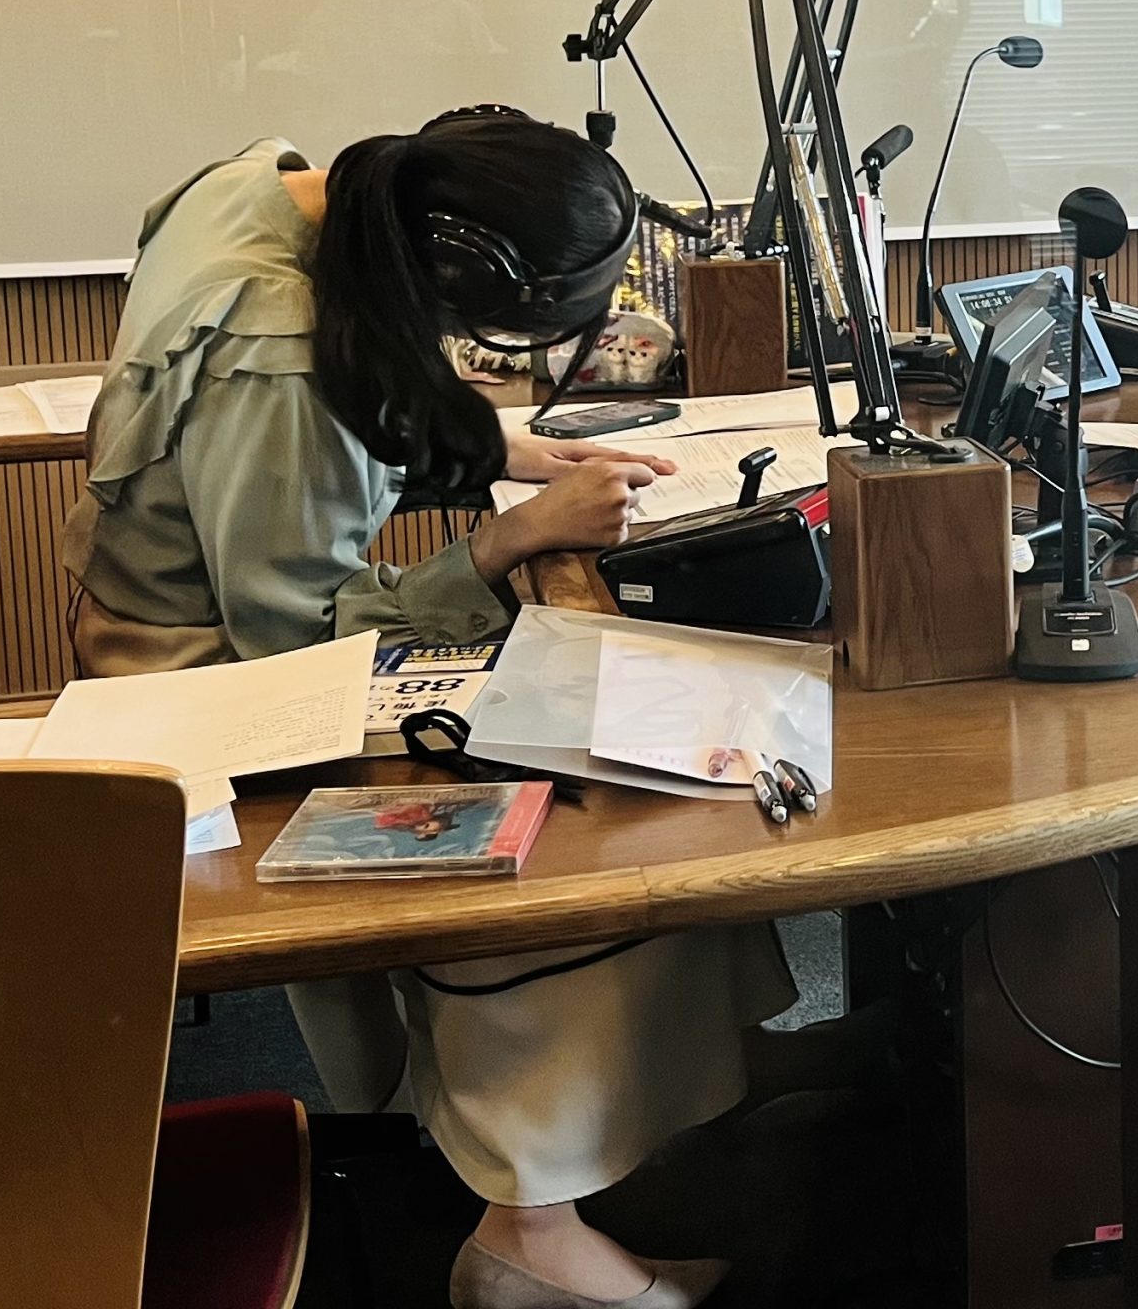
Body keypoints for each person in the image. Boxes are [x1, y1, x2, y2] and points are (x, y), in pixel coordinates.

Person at [63, 105, 784, 1309]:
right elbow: (295, 636)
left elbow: (295, 435)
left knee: (602, 715)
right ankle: (527, 1228)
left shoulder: (258, 185)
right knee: (600, 822)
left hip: (176, 628)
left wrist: (488, 447)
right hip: (204, 691)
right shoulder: (277, 355)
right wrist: (507, 539)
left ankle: (624, 1117)